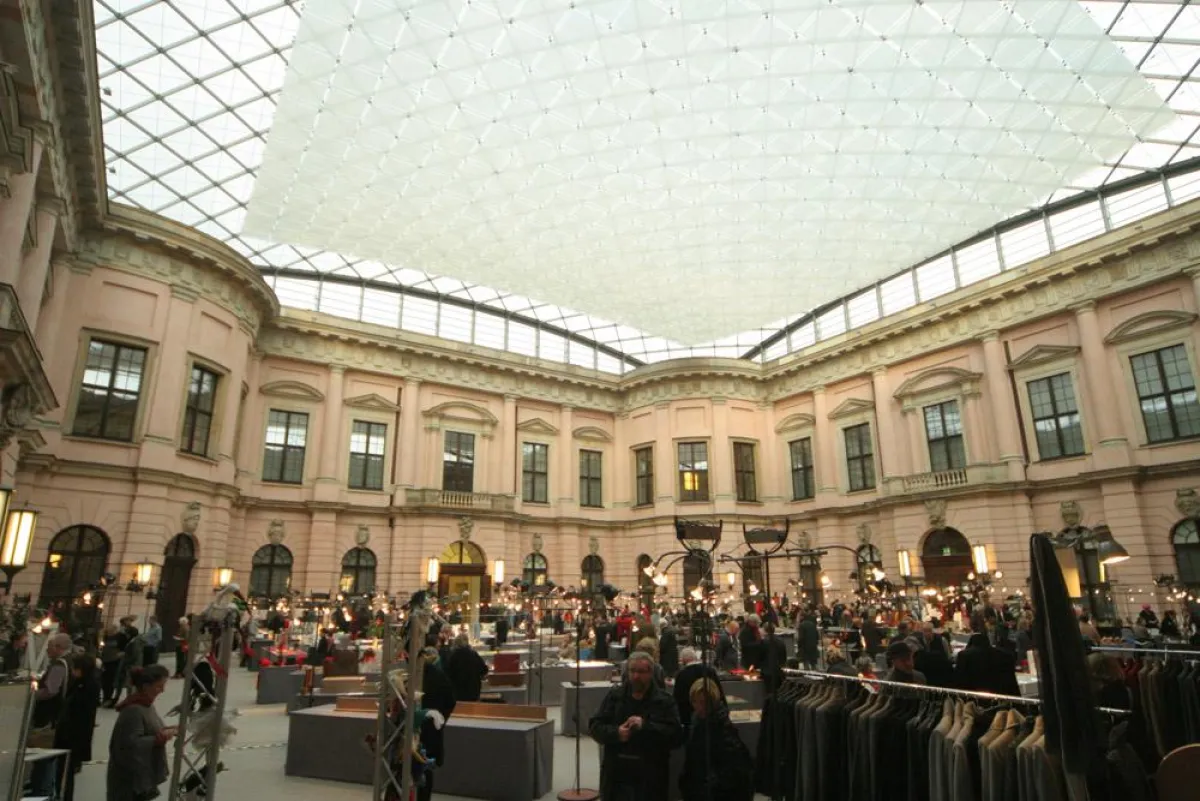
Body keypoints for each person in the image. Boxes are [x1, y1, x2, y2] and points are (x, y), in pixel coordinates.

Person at [590, 652, 683, 801]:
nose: (635, 676)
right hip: (617, 777)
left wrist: (646, 726)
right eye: (632, 671)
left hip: (651, 778)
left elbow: (676, 736)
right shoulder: (615, 696)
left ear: (651, 673)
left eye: (641, 672)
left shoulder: (664, 701)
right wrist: (616, 733)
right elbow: (595, 727)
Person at [107, 664, 176, 801]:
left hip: (140, 777)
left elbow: (151, 729)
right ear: (145, 687)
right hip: (129, 782)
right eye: (159, 686)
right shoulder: (134, 710)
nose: (162, 690)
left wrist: (168, 730)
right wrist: (158, 738)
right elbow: (129, 744)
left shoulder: (146, 705)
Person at [679, 678, 754, 801]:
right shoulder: (698, 722)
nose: (699, 706)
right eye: (695, 702)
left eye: (703, 702)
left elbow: (733, 770)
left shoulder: (721, 728)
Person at [57, 653, 101, 801]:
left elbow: (80, 712)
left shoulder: (87, 687)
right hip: (72, 735)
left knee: (66, 772)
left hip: (73, 736)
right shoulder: (82, 683)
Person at [416, 646, 457, 801]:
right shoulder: (438, 676)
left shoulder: (416, 676)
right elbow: (451, 701)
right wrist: (439, 720)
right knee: (426, 771)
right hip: (431, 731)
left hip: (419, 730)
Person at [954, 616, 1019, 696]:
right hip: (1002, 705)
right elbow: (1013, 690)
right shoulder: (1006, 656)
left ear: (971, 629)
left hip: (975, 704)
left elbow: (960, 689)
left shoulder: (963, 657)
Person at [674, 647, 723, 726]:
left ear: (683, 661)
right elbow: (720, 695)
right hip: (713, 720)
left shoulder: (681, 675)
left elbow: (678, 700)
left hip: (688, 721)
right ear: (695, 657)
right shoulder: (710, 671)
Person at [444, 632, 488, 702]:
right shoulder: (473, 654)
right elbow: (484, 670)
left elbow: (448, 673)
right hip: (473, 689)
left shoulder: (452, 656)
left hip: (458, 691)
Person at [760, 622, 788, 695]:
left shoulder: (763, 642)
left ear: (765, 630)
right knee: (779, 692)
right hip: (779, 671)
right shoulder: (781, 641)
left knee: (769, 693)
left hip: (767, 672)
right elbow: (784, 656)